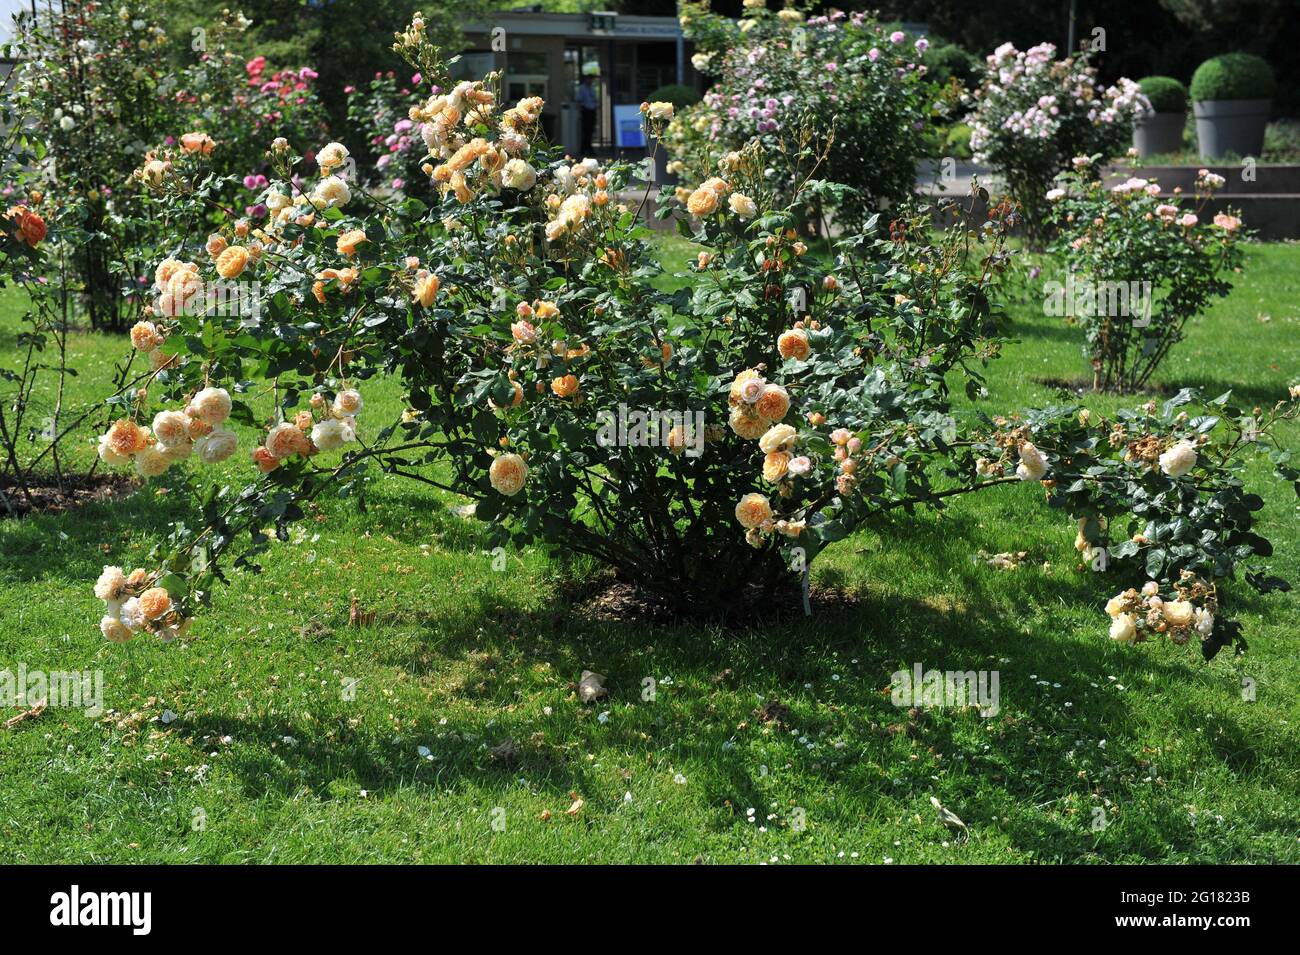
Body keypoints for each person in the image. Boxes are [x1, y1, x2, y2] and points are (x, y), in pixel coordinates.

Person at [576, 74, 598, 156]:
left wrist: (596, 104)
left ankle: (587, 148)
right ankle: (586, 149)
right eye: (589, 79)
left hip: (592, 111)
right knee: (586, 131)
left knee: (591, 131)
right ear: (586, 79)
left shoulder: (592, 88)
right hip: (585, 111)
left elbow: (595, 99)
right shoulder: (582, 88)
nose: (590, 81)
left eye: (591, 79)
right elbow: (578, 99)